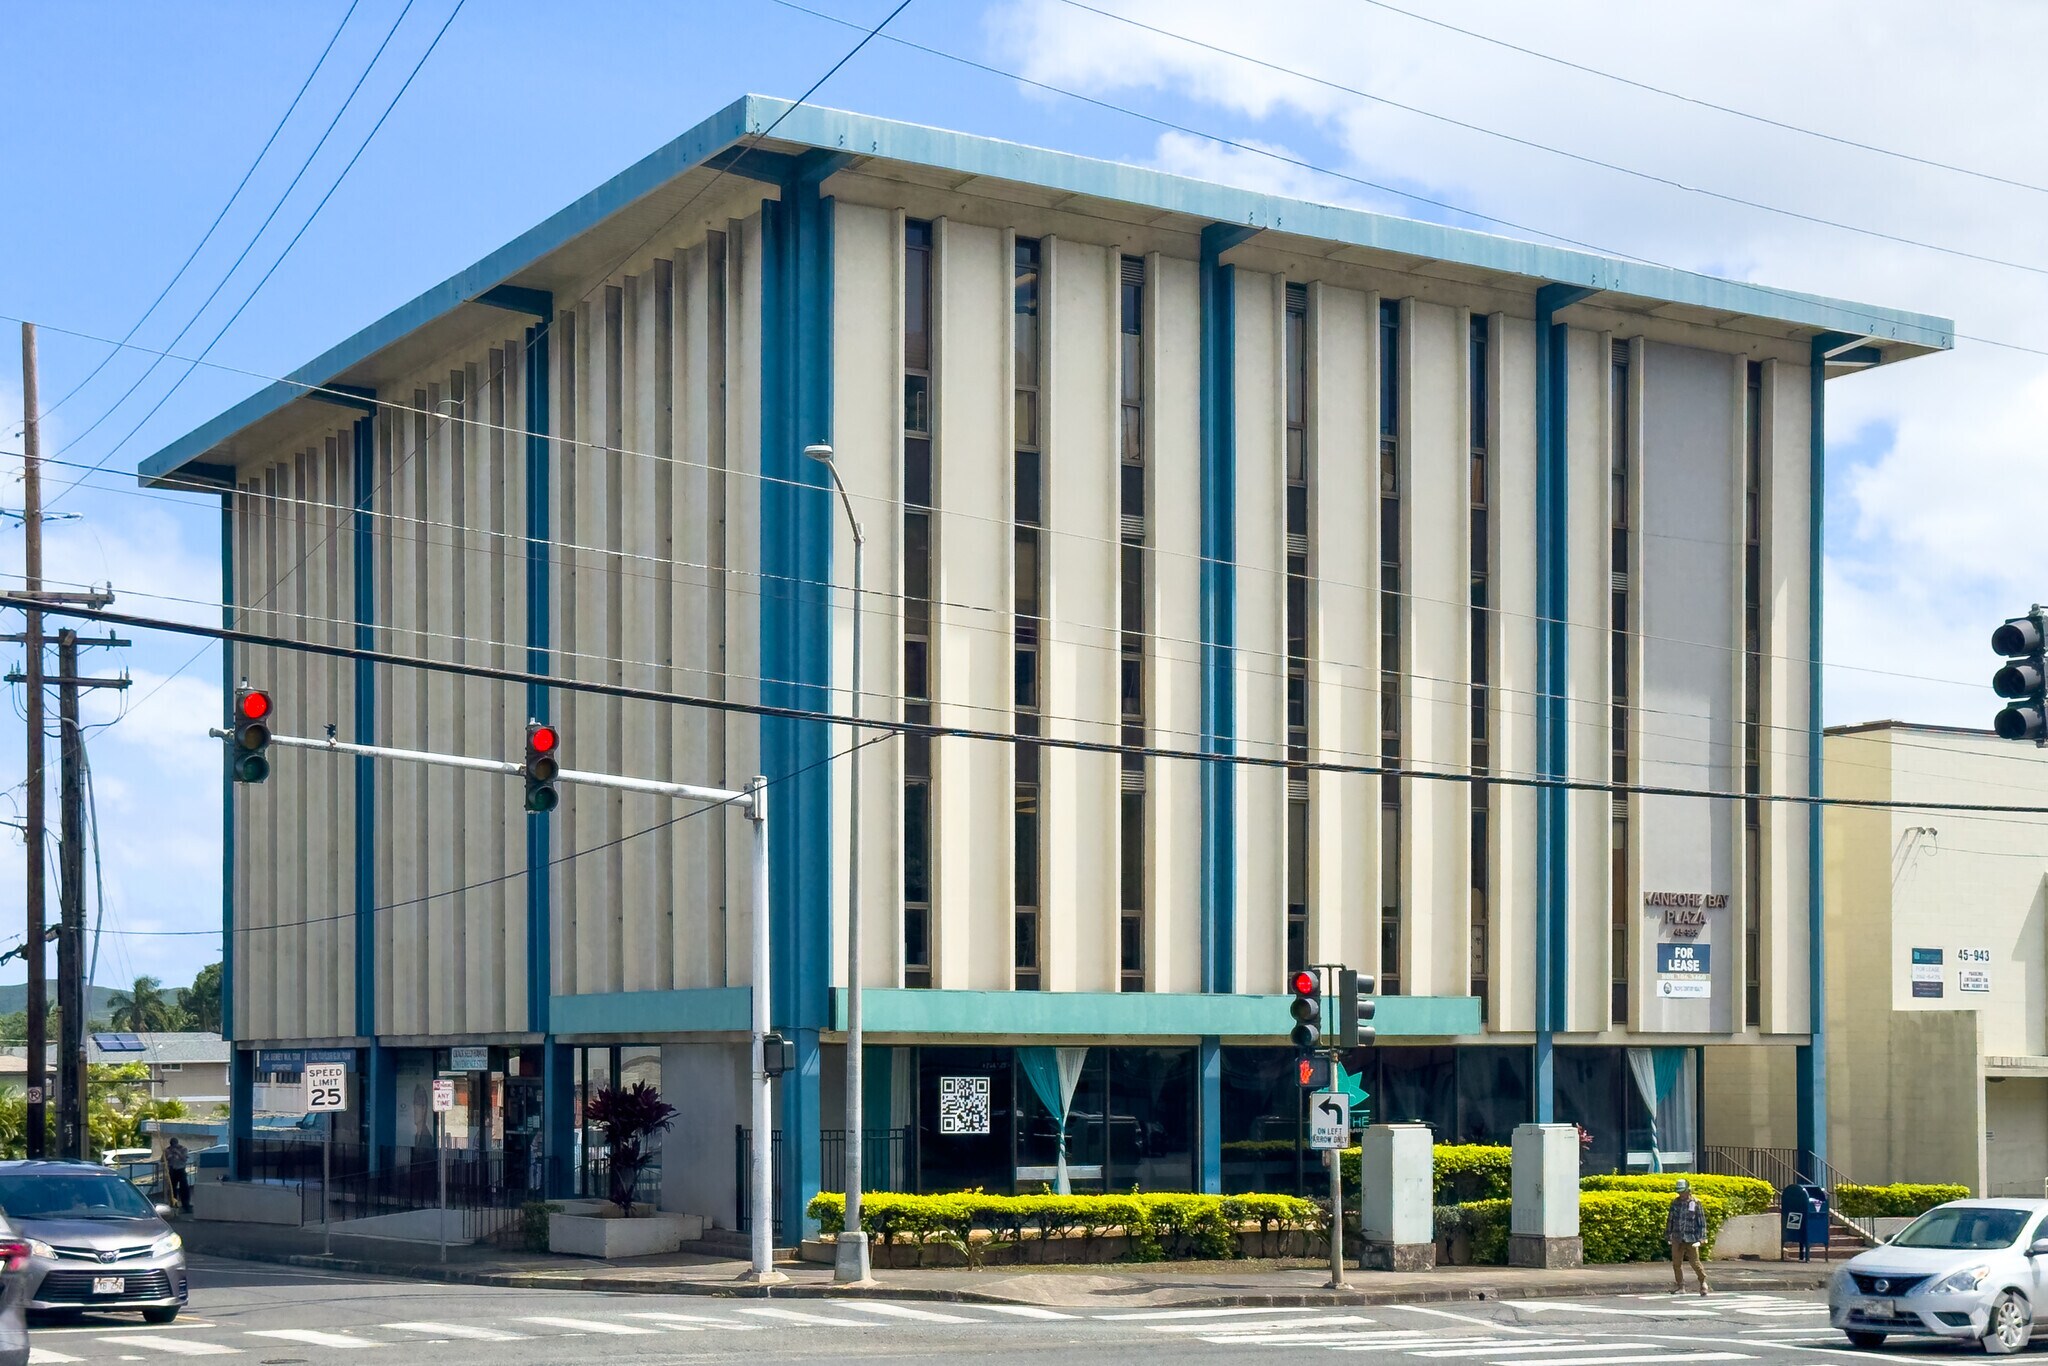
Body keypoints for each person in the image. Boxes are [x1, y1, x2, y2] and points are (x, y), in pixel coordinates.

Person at [1666, 1177, 1709, 1295]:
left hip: (1692, 1238)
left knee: (1695, 1262)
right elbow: (1670, 1220)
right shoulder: (1675, 1203)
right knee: (1676, 1263)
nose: (1681, 1194)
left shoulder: (1696, 1203)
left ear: (1688, 1190)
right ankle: (1681, 1286)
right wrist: (1668, 1235)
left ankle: (1703, 1282)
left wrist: (1702, 1238)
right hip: (1677, 1237)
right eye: (1679, 1192)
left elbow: (1701, 1222)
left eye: (1683, 1192)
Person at [165, 1138, 191, 1215]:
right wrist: (168, 1156)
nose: (173, 1147)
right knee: (172, 1188)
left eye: (174, 1145)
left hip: (181, 1169)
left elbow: (184, 1159)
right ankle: (174, 1205)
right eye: (172, 1145)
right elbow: (162, 1159)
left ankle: (186, 1205)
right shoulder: (168, 1150)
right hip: (172, 1170)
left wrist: (177, 1153)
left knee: (184, 1188)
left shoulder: (183, 1149)